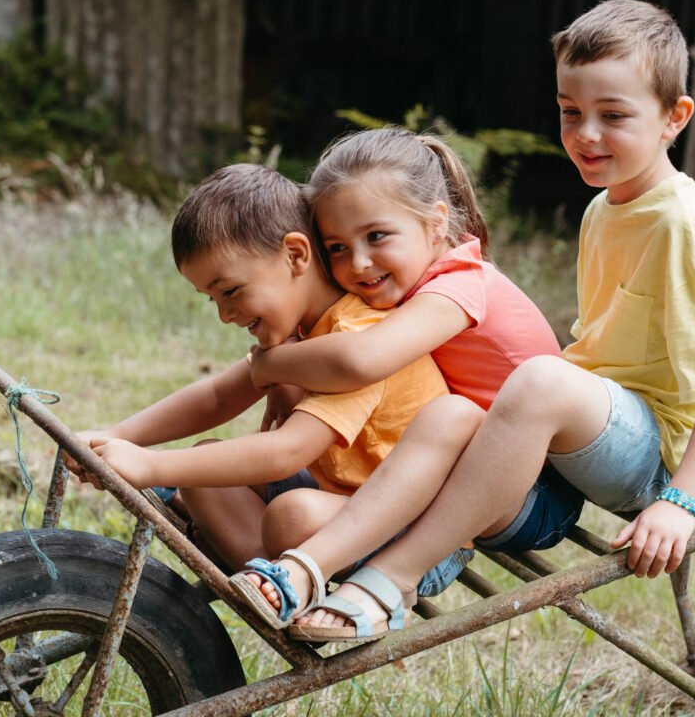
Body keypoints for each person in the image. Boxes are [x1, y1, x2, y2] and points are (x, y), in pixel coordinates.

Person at [266, 0, 695, 643]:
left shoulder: (680, 224)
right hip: (589, 432)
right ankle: (361, 541)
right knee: (455, 412)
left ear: (675, 118)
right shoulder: (606, 207)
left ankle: (392, 577)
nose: (586, 134)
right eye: (570, 111)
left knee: (540, 379)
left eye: (613, 115)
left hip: (654, 456)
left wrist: (680, 502)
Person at [66, 163, 463, 626]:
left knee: (290, 515)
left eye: (231, 291)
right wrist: (118, 436)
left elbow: (287, 451)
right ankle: (265, 578)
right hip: (339, 496)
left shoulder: (356, 338)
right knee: (202, 470)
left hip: (412, 530)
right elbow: (218, 397)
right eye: (212, 299)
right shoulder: (302, 330)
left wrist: (151, 465)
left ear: (295, 255)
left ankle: (284, 583)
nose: (224, 314)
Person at [233, 127, 585, 638]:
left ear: (436, 223)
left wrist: (270, 365)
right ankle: (269, 581)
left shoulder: (459, 285)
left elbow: (362, 359)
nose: (358, 263)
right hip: (445, 468)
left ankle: (359, 574)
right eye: (337, 247)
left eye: (376, 237)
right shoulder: (399, 285)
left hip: (526, 492)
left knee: (299, 510)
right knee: (239, 484)